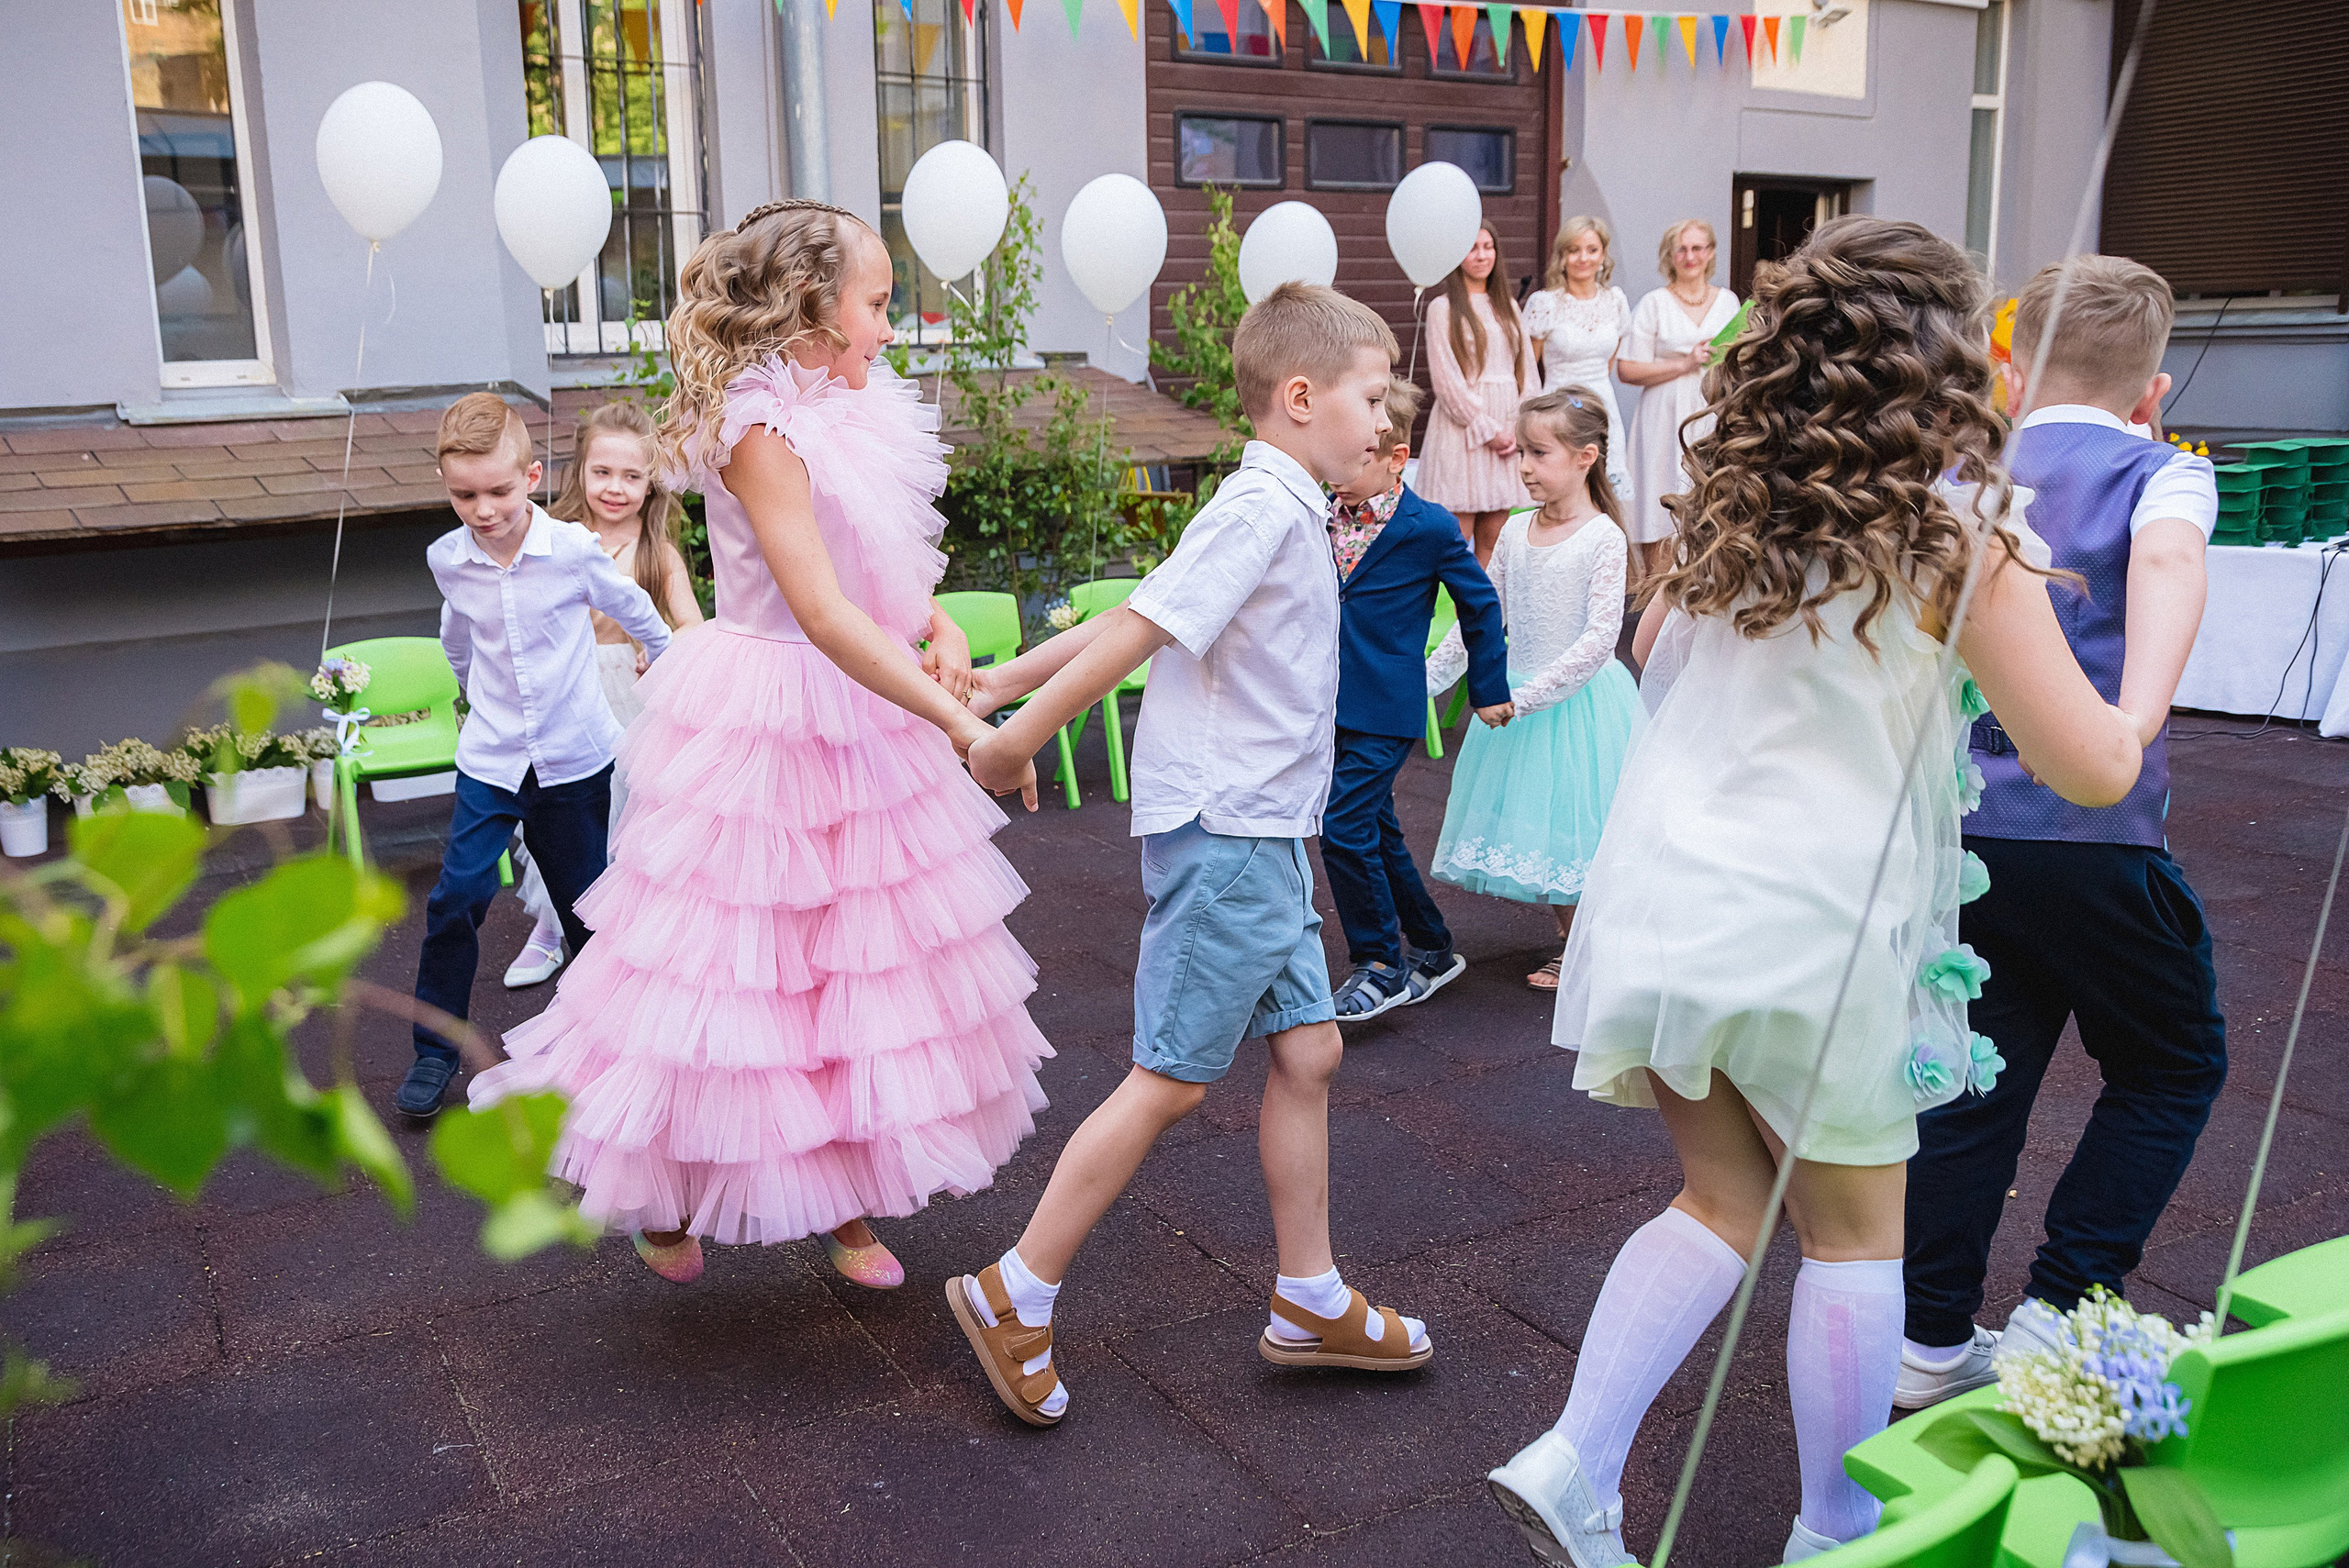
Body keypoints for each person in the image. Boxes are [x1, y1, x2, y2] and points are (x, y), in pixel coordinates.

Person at [1483, 217, 2145, 1567]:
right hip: (1815, 926)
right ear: (1946, 366)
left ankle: (1576, 1459)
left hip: (1662, 892)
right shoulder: (1960, 533)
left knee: (1719, 1201)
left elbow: (1658, 646)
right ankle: (1833, 1532)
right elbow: (2093, 767)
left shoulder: (1737, 513)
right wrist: (2154, 672)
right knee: (1853, 1239)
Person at [466, 200, 1052, 1292]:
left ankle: (846, 1198)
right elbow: (819, 610)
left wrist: (933, 619)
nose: (890, 326)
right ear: (813, 307)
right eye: (877, 302)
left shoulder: (852, 407)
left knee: (858, 959)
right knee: (730, 970)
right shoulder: (758, 433)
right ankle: (662, 1190)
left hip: (858, 708)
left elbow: (874, 563)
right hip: (771, 706)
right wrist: (966, 724)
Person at [950, 283, 1434, 1428]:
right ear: (1301, 396)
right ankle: (1015, 1288)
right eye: (1372, 398)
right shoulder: (1264, 504)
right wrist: (1016, 735)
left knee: (1309, 1049)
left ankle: (1308, 1295)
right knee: (1169, 1076)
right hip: (1231, 833)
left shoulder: (1275, 500)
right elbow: (1143, 628)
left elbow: (1145, 607)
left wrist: (1004, 676)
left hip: (1259, 829)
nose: (1384, 422)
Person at [1896, 255, 2224, 1409]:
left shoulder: (1960, 475)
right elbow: (2171, 557)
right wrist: (2129, 722)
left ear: (2010, 370)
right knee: (2174, 1060)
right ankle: (2063, 1300)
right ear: (2153, 391)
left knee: (1975, 1080)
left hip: (1966, 837)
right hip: (2100, 839)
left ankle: (1928, 1336)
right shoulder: (2163, 471)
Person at [399, 394, 674, 1119]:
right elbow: (456, 636)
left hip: (573, 760)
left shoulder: (572, 550)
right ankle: (434, 1052)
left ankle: (617, 1048)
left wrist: (665, 658)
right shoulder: (448, 559)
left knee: (588, 911)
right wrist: (475, 696)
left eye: (498, 490)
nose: (483, 509)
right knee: (456, 897)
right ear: (445, 485)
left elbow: (635, 606)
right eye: (464, 495)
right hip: (491, 762)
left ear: (531, 476)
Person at [1426, 386, 1642, 994]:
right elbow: (1483, 618)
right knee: (1547, 832)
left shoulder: (1603, 538)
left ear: (1586, 457)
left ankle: (1586, 946)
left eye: (1539, 453)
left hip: (1577, 706)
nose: (1523, 465)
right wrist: (1423, 682)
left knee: (1581, 825)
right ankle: (1576, 941)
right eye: (1521, 451)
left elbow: (1599, 640)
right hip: (1519, 700)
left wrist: (1524, 699)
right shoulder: (1516, 531)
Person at [1322, 376, 1510, 1024]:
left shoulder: (1427, 526)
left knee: (1342, 826)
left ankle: (1380, 965)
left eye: (1351, 462)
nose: (1336, 475)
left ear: (1395, 457)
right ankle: (1432, 947)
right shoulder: (1319, 513)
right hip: (1329, 704)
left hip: (1387, 706)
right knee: (1375, 828)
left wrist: (1487, 688)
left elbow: (1480, 604)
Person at [503, 400, 705, 990]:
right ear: (580, 472)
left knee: (625, 815)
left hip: (630, 703)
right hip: (565, 693)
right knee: (558, 814)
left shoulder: (657, 553)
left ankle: (626, 932)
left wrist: (661, 644)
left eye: (631, 476)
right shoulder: (550, 538)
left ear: (651, 483)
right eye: (602, 472)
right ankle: (550, 927)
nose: (615, 487)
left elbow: (692, 624)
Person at [1619, 218, 1739, 588]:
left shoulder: (1728, 301)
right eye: (1682, 249)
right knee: (1661, 501)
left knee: (1711, 501)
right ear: (1670, 255)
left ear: (1711, 253)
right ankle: (1657, 590)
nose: (1690, 256)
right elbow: (1627, 369)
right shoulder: (1654, 303)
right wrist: (1684, 364)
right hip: (1663, 415)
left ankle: (1708, 591)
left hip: (1712, 411)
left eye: (1698, 248)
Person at [1419, 224, 1538, 564]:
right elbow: (1446, 381)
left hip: (1507, 433)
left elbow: (1528, 371)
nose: (1482, 255)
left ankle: (1485, 601)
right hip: (1464, 434)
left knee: (1494, 539)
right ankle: (1453, 602)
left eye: (1488, 247)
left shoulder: (1509, 307)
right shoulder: (1442, 308)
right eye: (1473, 248)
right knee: (1456, 540)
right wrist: (1487, 430)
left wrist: (1518, 427)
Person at [1521, 217, 1633, 517]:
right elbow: (1528, 369)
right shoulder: (1545, 303)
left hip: (1603, 410)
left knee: (1603, 497)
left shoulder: (1616, 301)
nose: (1583, 258)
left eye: (1592, 250)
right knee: (1558, 493)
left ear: (1603, 255)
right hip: (1556, 408)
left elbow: (1608, 364)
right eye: (1574, 250)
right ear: (1562, 256)